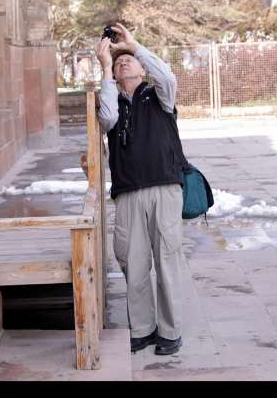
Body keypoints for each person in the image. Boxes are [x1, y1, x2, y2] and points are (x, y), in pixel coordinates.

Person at [95, 23, 185, 356]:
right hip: (129, 192)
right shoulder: (112, 99)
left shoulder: (159, 94)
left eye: (129, 59)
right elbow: (106, 119)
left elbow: (168, 77)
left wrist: (135, 45)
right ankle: (143, 329)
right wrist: (105, 68)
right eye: (118, 62)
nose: (124, 62)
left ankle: (170, 330)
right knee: (133, 263)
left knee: (167, 260)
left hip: (164, 189)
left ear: (142, 67)